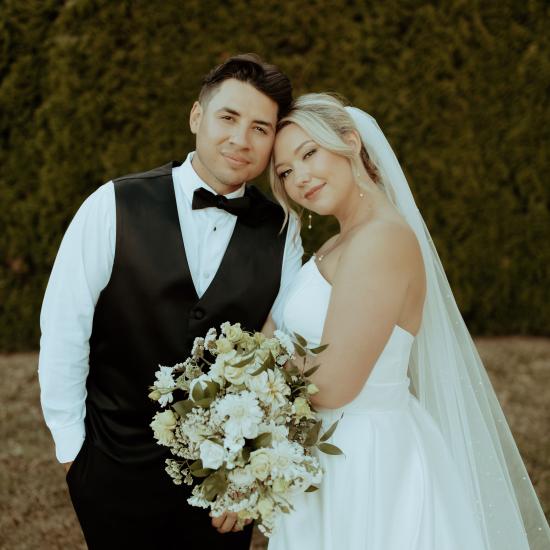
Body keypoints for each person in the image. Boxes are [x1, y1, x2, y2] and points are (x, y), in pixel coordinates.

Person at [38, 53, 303, 549]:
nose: (240, 140)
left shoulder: (282, 231)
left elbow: (281, 351)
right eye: (228, 117)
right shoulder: (112, 204)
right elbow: (64, 329)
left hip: (220, 484)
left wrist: (247, 475)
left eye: (260, 128)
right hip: (112, 464)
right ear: (197, 116)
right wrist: (74, 453)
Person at [263, 93, 550, 550]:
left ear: (351, 142)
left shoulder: (380, 240)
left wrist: (258, 369)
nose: (300, 178)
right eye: (285, 172)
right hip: (320, 452)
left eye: (309, 153)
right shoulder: (340, 242)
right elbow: (279, 335)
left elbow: (335, 386)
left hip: (365, 460)